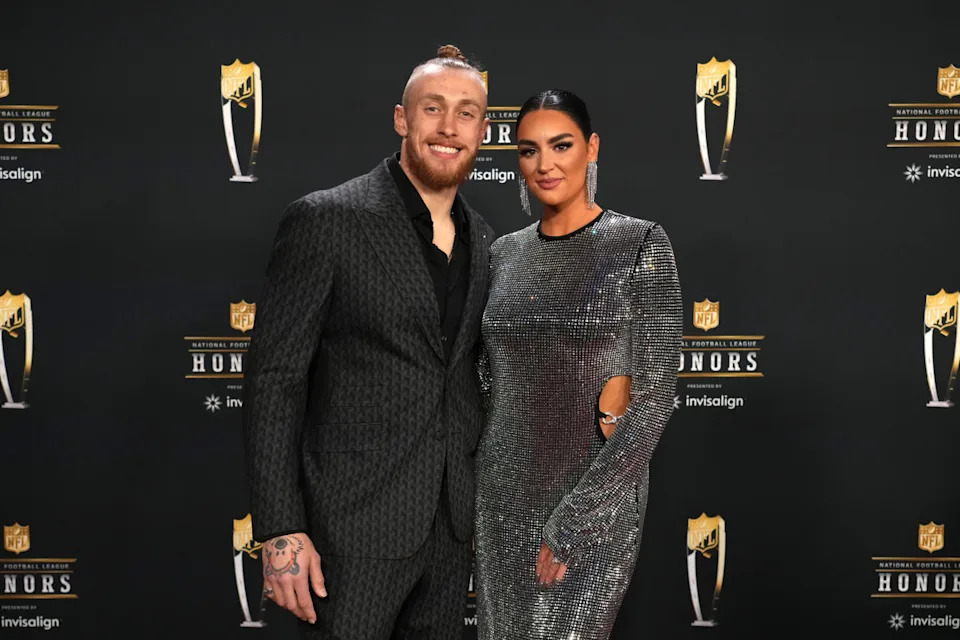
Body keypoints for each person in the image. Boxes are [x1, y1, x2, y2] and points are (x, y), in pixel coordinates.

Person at [242, 44, 496, 639]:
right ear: (402, 119)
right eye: (433, 108)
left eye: (466, 113)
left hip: (451, 533)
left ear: (483, 131)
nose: (449, 127)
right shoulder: (328, 219)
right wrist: (280, 529)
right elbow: (276, 380)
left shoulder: (486, 241)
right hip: (348, 530)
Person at [474, 89, 682, 639]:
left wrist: (578, 520)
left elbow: (655, 398)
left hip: (591, 500)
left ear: (591, 148)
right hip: (501, 500)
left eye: (561, 145)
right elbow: (486, 381)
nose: (544, 164)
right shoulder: (503, 255)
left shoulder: (639, 244)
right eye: (529, 150)